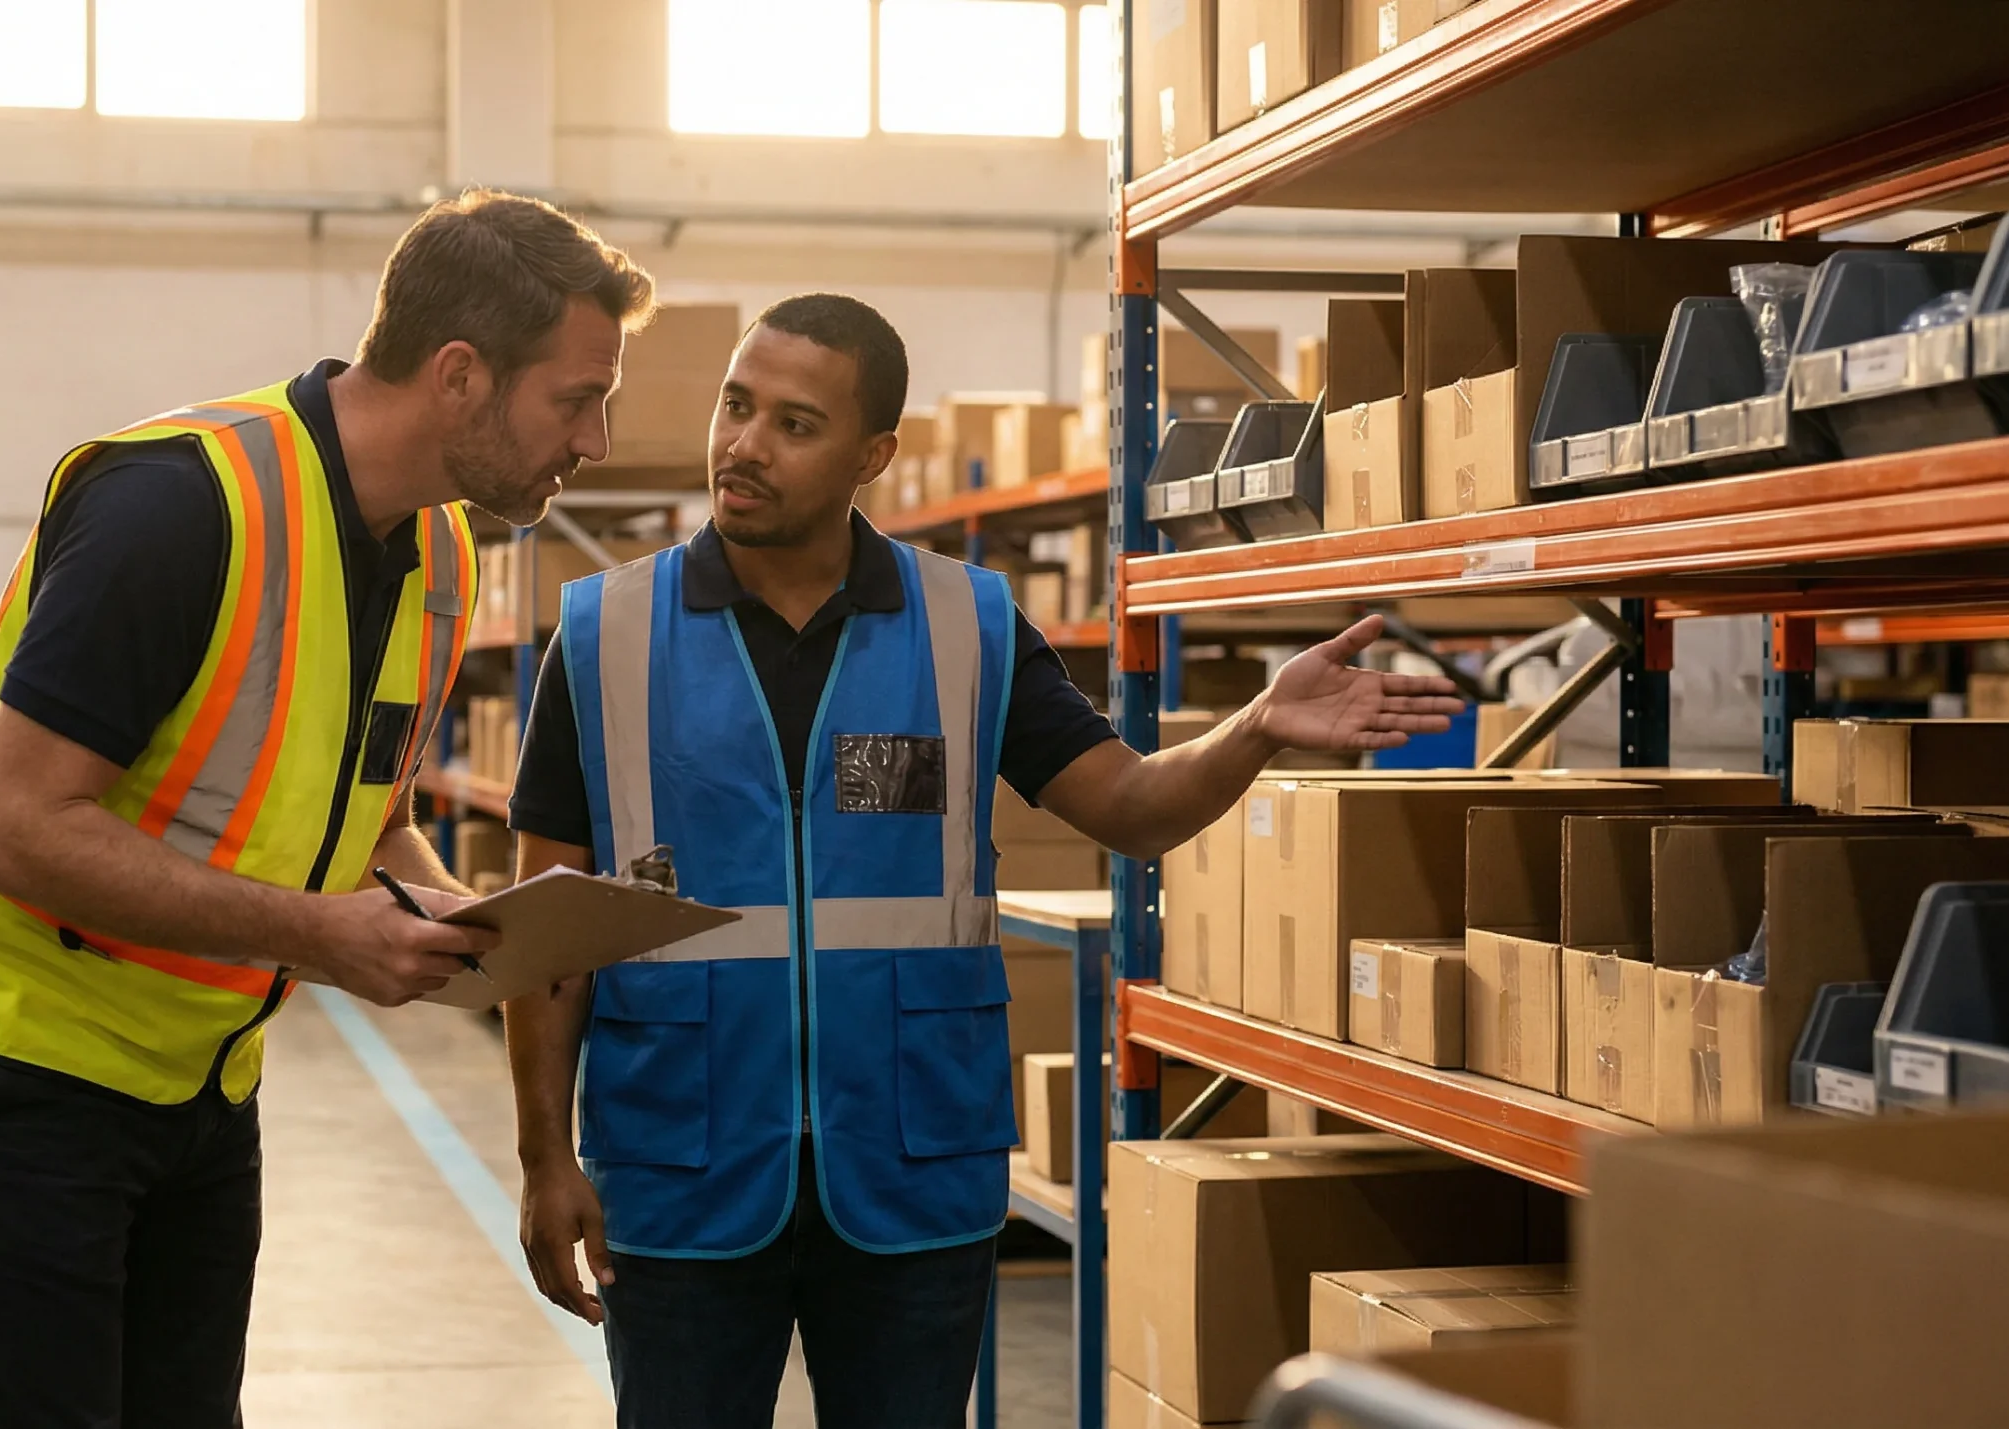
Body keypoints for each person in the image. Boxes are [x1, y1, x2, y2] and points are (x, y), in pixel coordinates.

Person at [502, 293, 1461, 1428]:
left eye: (794, 424)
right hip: (682, 1167)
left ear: (872, 456)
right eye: (736, 405)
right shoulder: (607, 631)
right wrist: (542, 1156)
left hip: (909, 1173)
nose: (744, 445)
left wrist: (1251, 726)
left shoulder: (966, 624)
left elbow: (1132, 807)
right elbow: (544, 936)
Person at [0, 189, 655, 1429]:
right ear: (458, 375)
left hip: (201, 1067)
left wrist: (459, 915)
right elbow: (13, 827)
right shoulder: (174, 509)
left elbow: (365, 811)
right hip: (5, 1045)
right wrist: (316, 934)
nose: (595, 439)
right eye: (575, 398)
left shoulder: (440, 555)